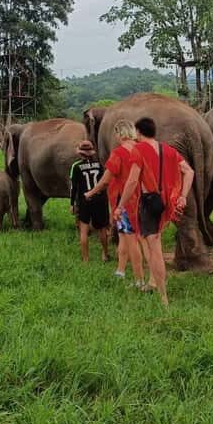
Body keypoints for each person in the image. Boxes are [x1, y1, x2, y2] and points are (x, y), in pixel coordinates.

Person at [133, 117, 194, 306]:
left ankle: (163, 296)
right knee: (150, 242)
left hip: (149, 202)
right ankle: (154, 283)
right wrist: (183, 196)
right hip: (165, 202)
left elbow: (132, 180)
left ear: (138, 132)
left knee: (155, 248)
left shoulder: (138, 149)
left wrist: (120, 205)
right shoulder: (167, 149)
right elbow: (189, 171)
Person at [85, 120, 145, 288]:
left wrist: (90, 192)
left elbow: (106, 180)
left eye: (116, 134)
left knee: (132, 240)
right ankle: (120, 270)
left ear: (120, 133)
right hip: (143, 199)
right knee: (125, 238)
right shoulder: (142, 148)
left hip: (125, 202)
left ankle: (139, 280)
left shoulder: (119, 152)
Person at [69, 140, 110, 263]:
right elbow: (104, 182)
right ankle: (105, 254)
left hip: (85, 200)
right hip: (100, 199)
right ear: (92, 152)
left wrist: (72, 204)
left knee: (84, 230)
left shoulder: (75, 166)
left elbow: (73, 187)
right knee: (102, 228)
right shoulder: (99, 164)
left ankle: (86, 259)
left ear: (80, 153)